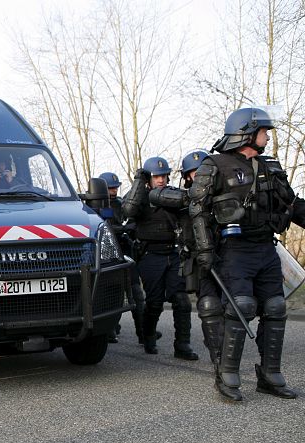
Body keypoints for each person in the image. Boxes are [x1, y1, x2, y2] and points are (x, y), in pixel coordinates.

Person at [189, 107, 301, 401]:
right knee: (241, 306)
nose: (267, 136)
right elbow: (197, 210)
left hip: (267, 248)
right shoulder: (214, 165)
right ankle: (227, 374)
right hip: (235, 249)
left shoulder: (270, 167)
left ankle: (270, 375)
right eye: (264, 131)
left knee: (276, 307)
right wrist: (204, 249)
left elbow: (292, 204)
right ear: (247, 133)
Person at [123, 156, 198, 360]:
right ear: (149, 178)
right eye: (157, 176)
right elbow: (128, 209)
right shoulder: (139, 199)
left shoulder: (174, 196)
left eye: (164, 175)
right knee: (154, 302)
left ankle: (182, 345)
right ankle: (148, 337)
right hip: (150, 255)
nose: (161, 179)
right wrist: (139, 182)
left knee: (182, 300)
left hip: (173, 253)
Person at [178, 150, 223, 371]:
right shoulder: (182, 199)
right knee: (209, 305)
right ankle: (218, 354)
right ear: (187, 177)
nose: (199, 177)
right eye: (194, 173)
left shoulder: (220, 193)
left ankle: (225, 346)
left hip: (226, 255)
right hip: (199, 260)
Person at [97, 171, 149, 345]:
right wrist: (124, 229)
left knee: (137, 294)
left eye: (115, 188)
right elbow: (104, 228)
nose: (113, 191)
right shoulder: (95, 208)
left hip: (126, 254)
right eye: (110, 188)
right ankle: (109, 330)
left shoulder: (122, 204)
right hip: (109, 257)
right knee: (111, 295)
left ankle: (143, 332)